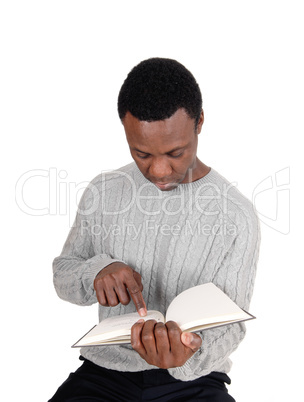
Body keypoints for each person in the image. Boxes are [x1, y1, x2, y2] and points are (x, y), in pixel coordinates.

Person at [49, 58, 260, 401]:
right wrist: (97, 271)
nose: (160, 170)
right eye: (141, 153)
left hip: (195, 380)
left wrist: (189, 355)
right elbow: (62, 275)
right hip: (106, 374)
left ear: (200, 122)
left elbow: (232, 325)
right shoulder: (104, 191)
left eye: (176, 152)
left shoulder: (236, 215)